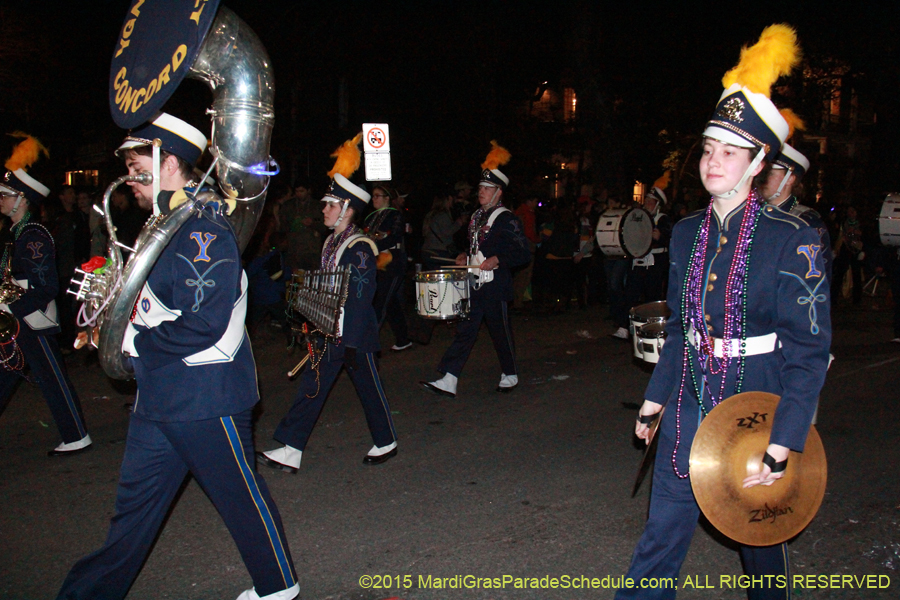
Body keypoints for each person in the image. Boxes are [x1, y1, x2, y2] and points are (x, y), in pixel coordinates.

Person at [618, 25, 831, 600]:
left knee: (759, 541)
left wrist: (784, 441)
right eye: (710, 149)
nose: (714, 161)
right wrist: (656, 398)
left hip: (758, 403)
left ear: (759, 160)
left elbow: (809, 352)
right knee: (660, 533)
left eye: (731, 152)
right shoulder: (686, 232)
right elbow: (682, 329)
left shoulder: (793, 238)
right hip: (689, 399)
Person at [56, 113, 298, 600]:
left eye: (137, 166)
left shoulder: (201, 229)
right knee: (131, 516)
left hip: (204, 393)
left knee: (240, 499)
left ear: (169, 163)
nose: (129, 177)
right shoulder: (165, 223)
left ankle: (278, 587)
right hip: (161, 390)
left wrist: (132, 342)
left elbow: (204, 321)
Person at [258, 134, 398, 472]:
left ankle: (386, 440)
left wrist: (344, 337)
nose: (323, 209)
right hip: (332, 331)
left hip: (353, 334)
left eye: (330, 205)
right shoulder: (333, 241)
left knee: (367, 388)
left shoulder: (358, 247)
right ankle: (292, 447)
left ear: (347, 210)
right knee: (314, 384)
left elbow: (360, 298)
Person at [0, 134, 91, 456]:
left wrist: (11, 308)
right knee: (7, 373)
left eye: (5, 195)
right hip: (18, 318)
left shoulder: (33, 234)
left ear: (22, 200)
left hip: (31, 319)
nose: (0, 200)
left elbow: (47, 287)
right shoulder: (15, 233)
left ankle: (76, 435)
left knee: (52, 379)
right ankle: (75, 434)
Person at [420, 142, 531, 397]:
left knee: (499, 330)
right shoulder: (476, 216)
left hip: (495, 284)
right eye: (480, 187)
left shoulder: (507, 219)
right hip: (473, 282)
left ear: (498, 192)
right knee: (465, 330)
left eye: (487, 188)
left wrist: (497, 259)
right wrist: (464, 256)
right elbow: (474, 246)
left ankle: (510, 373)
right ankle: (449, 378)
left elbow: (523, 252)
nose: (481, 191)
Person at [760, 141, 833, 283]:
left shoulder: (806, 223)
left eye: (770, 173)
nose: (762, 179)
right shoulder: (752, 215)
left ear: (790, 179)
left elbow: (814, 283)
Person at [365, 184, 412, 351]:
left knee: (381, 302)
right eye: (373, 196)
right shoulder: (371, 217)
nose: (374, 199)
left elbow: (394, 237)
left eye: (377, 196)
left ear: (387, 198)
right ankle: (403, 339)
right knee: (390, 302)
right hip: (377, 263)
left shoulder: (395, 215)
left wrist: (374, 244)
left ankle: (367, 344)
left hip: (393, 263)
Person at [421, 189, 464, 271]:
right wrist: (459, 223)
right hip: (438, 252)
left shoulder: (430, 214)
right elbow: (447, 232)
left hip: (427, 251)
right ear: (449, 199)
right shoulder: (442, 215)